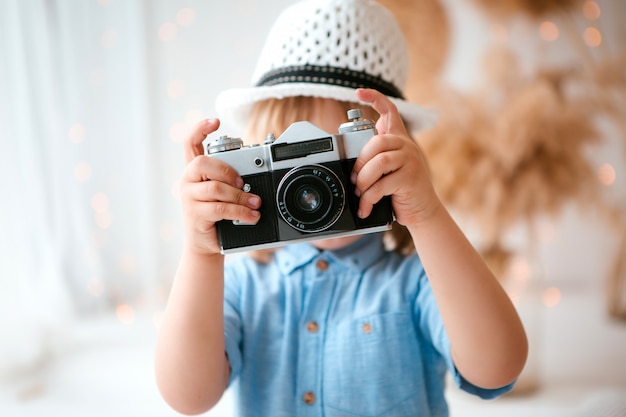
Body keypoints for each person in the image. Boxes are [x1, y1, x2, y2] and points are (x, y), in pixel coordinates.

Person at [155, 0, 528, 416]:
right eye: (292, 164)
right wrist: (202, 253)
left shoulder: (416, 280)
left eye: (336, 159)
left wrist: (428, 216)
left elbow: (496, 369)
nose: (312, 188)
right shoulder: (243, 285)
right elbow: (186, 398)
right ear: (254, 166)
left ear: (395, 158)